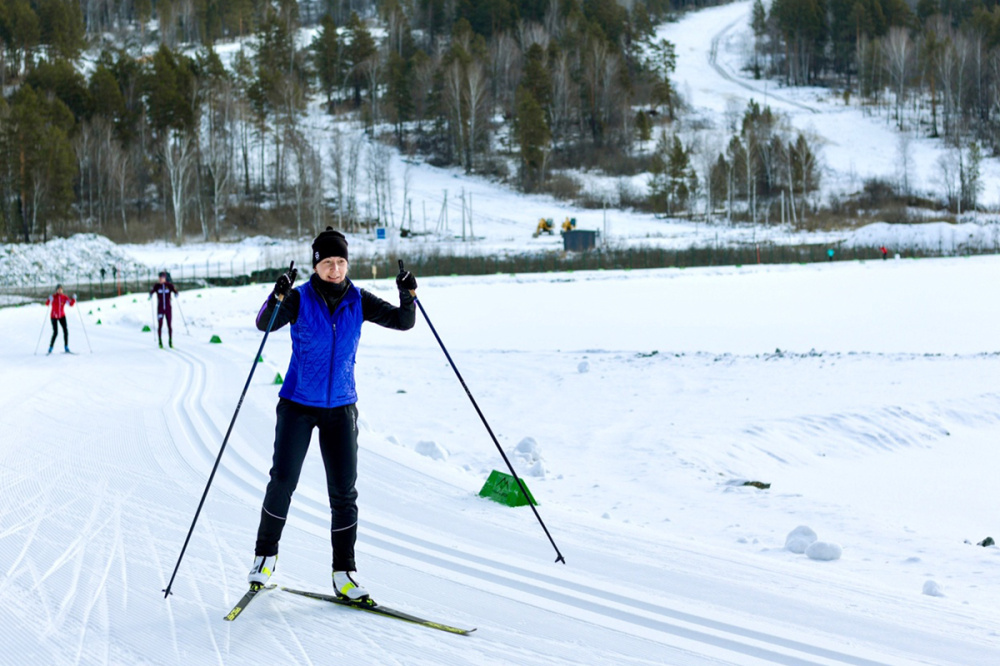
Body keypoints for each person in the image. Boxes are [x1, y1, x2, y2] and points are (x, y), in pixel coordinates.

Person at [247, 228, 418, 601]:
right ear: (316, 265)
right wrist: (277, 295)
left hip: (341, 407)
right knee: (283, 482)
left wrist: (408, 295)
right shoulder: (300, 299)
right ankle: (264, 558)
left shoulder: (359, 299)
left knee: (344, 494)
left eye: (341, 262)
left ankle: (344, 573)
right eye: (328, 263)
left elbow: (404, 322)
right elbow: (264, 322)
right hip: (298, 405)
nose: (335, 269)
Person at [149, 271, 179, 348]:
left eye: (162, 278)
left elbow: (175, 291)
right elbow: (152, 291)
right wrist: (150, 294)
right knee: (160, 325)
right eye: (159, 278)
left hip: (168, 308)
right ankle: (160, 341)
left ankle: (170, 341)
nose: (161, 279)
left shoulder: (169, 285)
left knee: (169, 325)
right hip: (160, 309)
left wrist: (176, 294)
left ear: (165, 278)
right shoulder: (157, 286)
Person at [45, 285, 76, 354]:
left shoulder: (64, 297)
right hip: (54, 316)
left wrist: (74, 299)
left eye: (61, 289)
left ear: (62, 290)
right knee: (55, 333)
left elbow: (70, 304)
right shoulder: (53, 297)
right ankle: (50, 348)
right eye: (58, 289)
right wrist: (49, 299)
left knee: (65, 331)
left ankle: (66, 347)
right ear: (56, 290)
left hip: (62, 316)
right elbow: (47, 304)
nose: (59, 290)